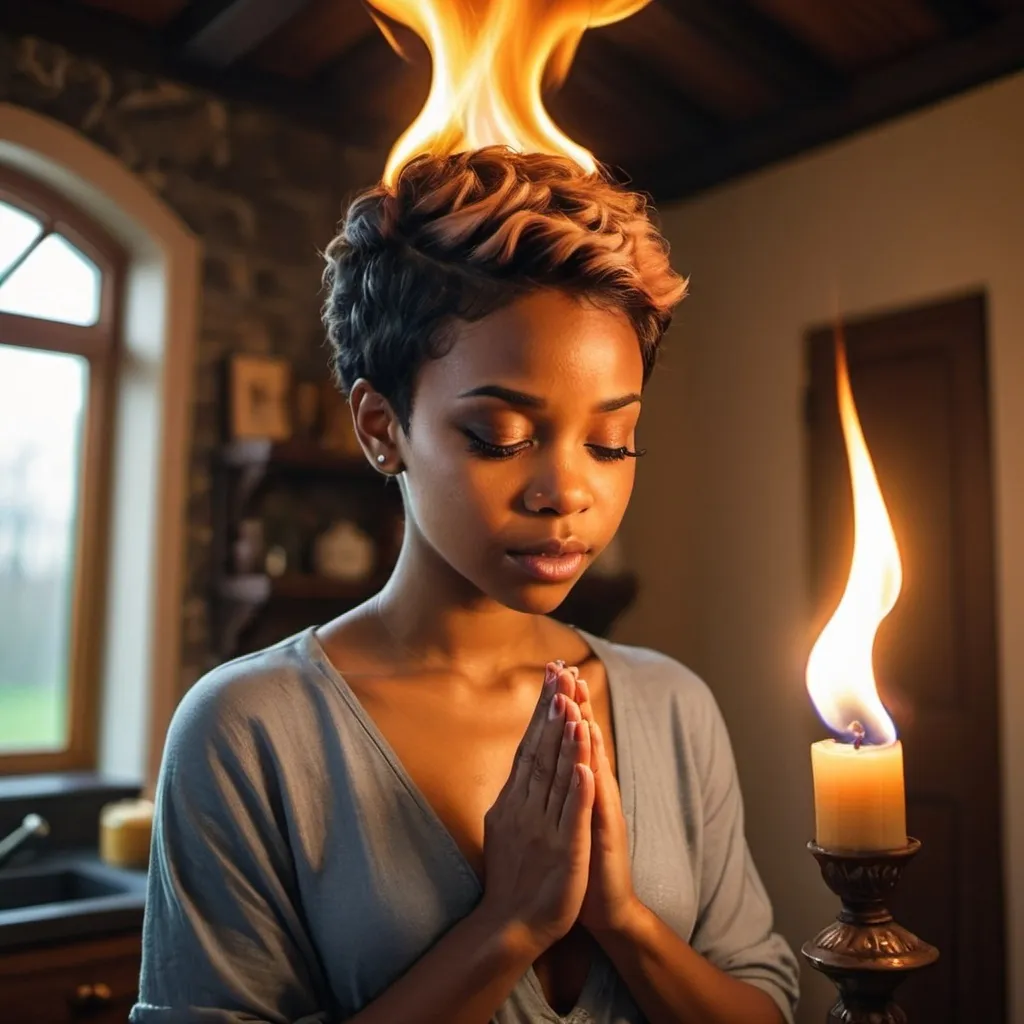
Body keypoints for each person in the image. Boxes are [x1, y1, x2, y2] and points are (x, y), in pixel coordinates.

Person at [130, 147, 799, 1024]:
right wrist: (508, 926)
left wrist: (626, 923)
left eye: (611, 442)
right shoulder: (248, 733)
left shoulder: (674, 708)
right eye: (500, 434)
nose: (567, 492)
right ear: (382, 428)